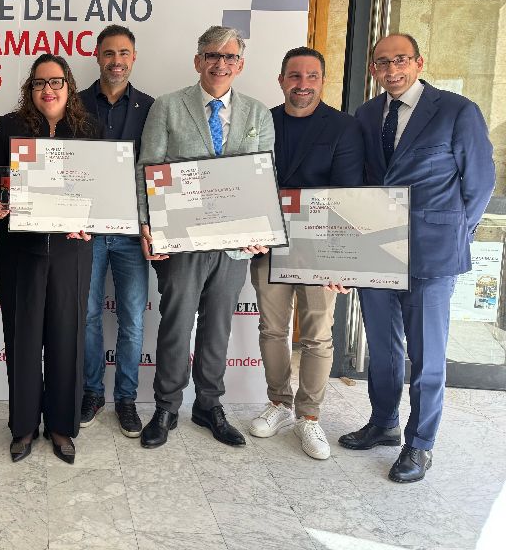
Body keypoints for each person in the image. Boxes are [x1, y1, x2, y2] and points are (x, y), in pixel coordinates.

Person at [339, 33, 494, 483]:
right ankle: (384, 423)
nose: (392, 70)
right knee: (382, 347)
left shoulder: (457, 111)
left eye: (400, 60)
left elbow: (479, 182)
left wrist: (455, 234)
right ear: (373, 69)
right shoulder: (367, 114)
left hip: (433, 253)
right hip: (376, 248)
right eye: (382, 63)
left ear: (419, 62)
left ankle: (420, 445)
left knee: (427, 356)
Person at [137, 25, 275, 449]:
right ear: (198, 61)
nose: (220, 64)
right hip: (181, 240)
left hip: (234, 246)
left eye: (229, 57)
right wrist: (146, 224)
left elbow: (263, 175)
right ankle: (166, 406)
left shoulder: (258, 114)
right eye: (212, 55)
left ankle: (209, 405)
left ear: (240, 65)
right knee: (176, 324)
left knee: (218, 328)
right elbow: (147, 168)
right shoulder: (168, 106)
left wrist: (262, 230)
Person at [0, 54, 98, 464]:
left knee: (67, 337)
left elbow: (103, 190)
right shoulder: (10, 126)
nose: (48, 89)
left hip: (71, 252)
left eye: (56, 81)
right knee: (22, 339)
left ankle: (62, 426)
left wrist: (95, 221)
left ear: (69, 87)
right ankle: (24, 426)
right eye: (40, 82)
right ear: (30, 89)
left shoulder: (89, 130)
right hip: (20, 251)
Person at [246, 47, 364, 460]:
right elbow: (248, 182)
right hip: (270, 243)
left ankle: (309, 416)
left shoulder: (344, 127)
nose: (303, 84)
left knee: (317, 336)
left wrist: (342, 261)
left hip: (320, 247)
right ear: (281, 80)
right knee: (272, 330)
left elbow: (346, 195)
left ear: (322, 81)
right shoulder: (262, 122)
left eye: (311, 76)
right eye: (294, 76)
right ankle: (279, 402)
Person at [77, 25, 154, 437]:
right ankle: (92, 392)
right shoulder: (75, 103)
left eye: (124, 53)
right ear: (97, 56)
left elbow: (156, 170)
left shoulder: (151, 109)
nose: (116, 61)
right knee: (88, 316)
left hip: (130, 233)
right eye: (109, 53)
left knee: (132, 319)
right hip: (87, 231)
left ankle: (126, 398)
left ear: (135, 57)